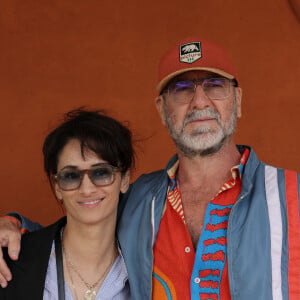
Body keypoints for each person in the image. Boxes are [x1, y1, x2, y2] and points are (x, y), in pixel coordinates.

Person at [0, 38, 299, 300]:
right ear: (161, 108)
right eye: (182, 90)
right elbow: (80, 226)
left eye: (215, 86)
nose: (199, 102)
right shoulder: (140, 200)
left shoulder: (293, 196)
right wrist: (11, 226)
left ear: (238, 100)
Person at [0, 108, 134, 299]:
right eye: (71, 176)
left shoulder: (146, 267)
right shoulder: (11, 263)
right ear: (57, 187)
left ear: (124, 179)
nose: (87, 189)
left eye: (101, 173)